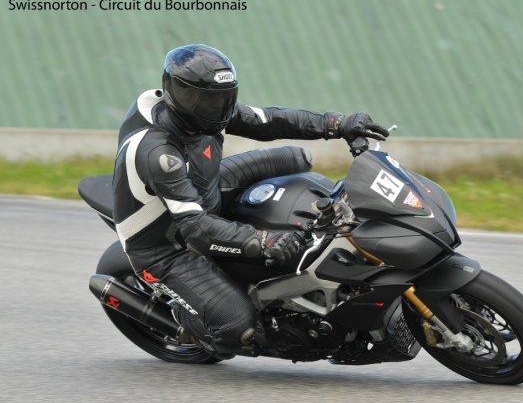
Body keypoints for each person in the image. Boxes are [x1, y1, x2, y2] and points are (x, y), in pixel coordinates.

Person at [112, 44, 389, 359]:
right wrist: (264, 240)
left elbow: (269, 120)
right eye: (207, 100)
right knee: (237, 329)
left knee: (297, 157)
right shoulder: (159, 153)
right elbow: (196, 229)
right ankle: (187, 317)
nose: (218, 108)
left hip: (203, 187)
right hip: (166, 243)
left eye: (224, 98)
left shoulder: (201, 111)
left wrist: (336, 124)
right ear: (177, 92)